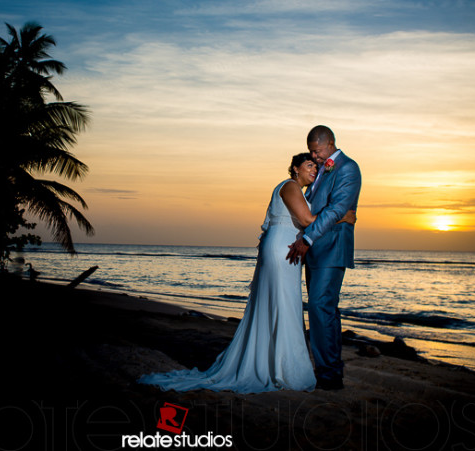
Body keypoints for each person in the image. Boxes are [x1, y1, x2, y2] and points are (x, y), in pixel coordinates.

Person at [137, 153, 356, 393]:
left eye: (316, 166)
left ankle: (276, 364)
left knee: (281, 304)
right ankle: (284, 369)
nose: (314, 169)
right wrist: (342, 216)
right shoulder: (290, 186)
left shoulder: (297, 191)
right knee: (284, 305)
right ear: (295, 168)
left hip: (283, 247)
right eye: (309, 165)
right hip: (283, 249)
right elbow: (307, 220)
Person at [287, 126, 362, 391]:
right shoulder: (323, 170)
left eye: (317, 151)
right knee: (321, 309)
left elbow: (337, 209)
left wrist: (307, 239)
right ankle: (326, 369)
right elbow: (311, 207)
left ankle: (330, 375)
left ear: (330, 143)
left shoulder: (348, 169)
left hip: (331, 247)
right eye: (311, 151)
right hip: (315, 249)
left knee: (321, 307)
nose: (314, 157)